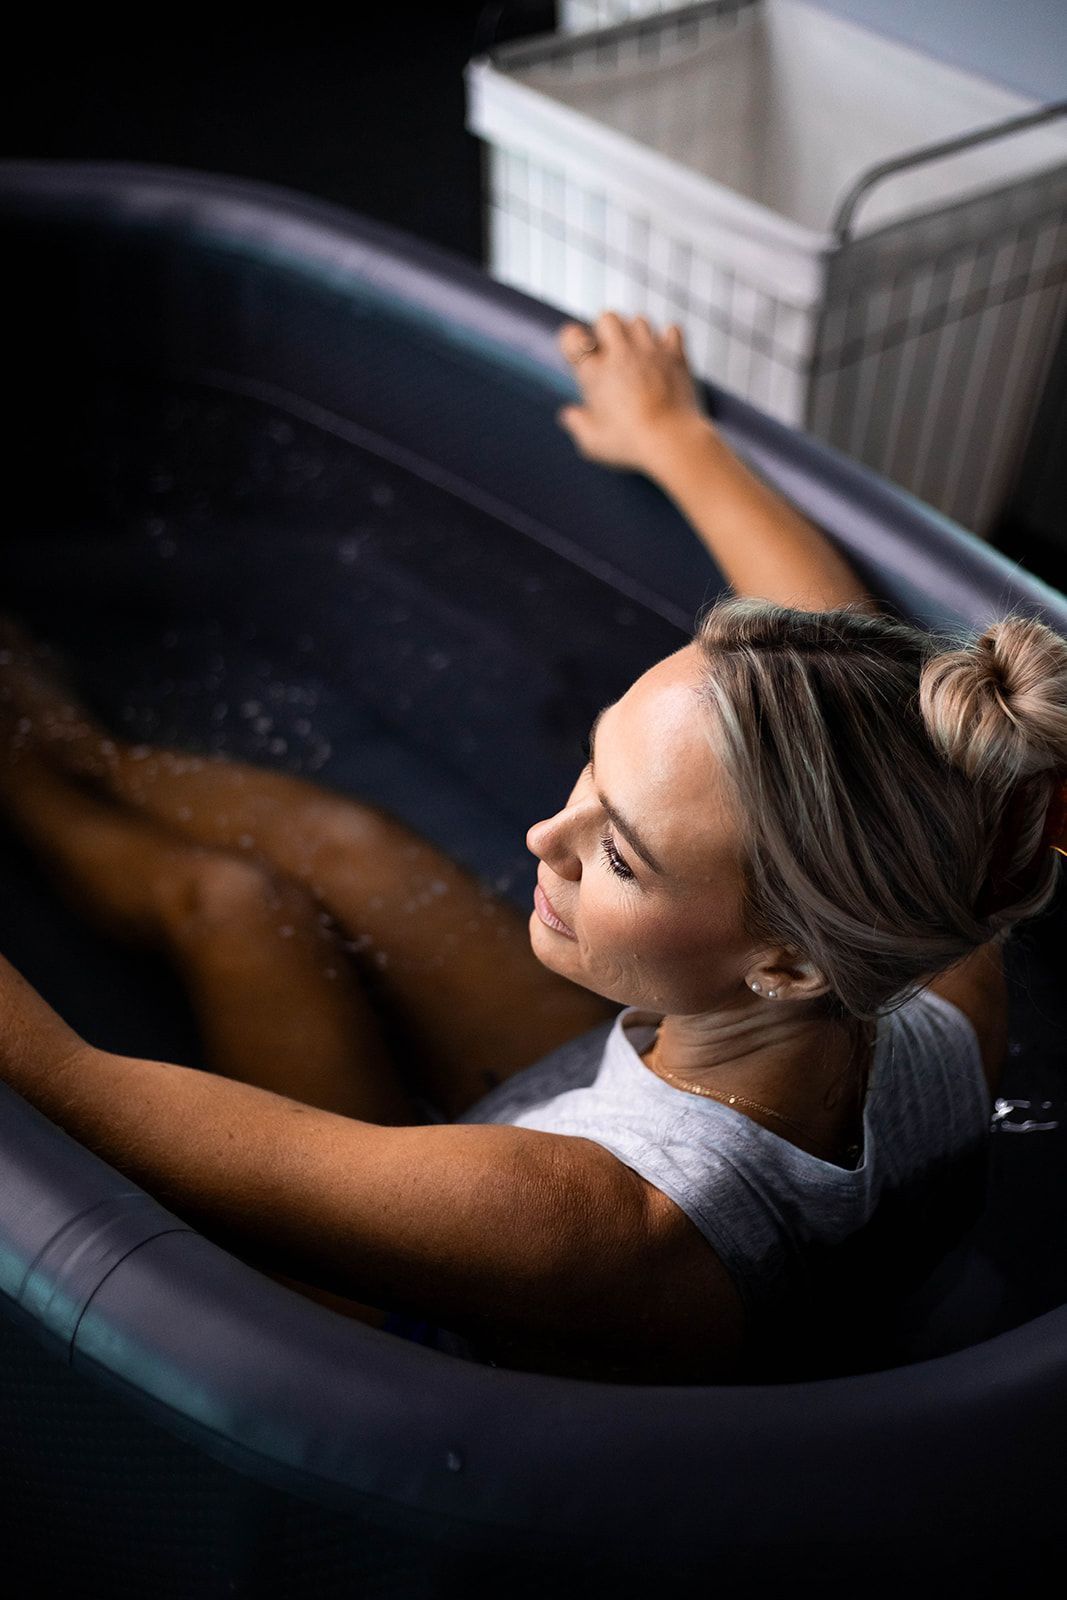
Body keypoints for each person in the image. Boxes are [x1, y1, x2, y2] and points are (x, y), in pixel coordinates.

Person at [0, 310, 1062, 1385]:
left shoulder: (581, 1222)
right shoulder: (936, 960)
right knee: (344, 843)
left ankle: (26, 771)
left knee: (230, 904)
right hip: (663, 1093)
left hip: (398, 1320)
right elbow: (858, 691)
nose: (542, 837)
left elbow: (71, 1085)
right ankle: (78, 750)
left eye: (621, 857)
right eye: (593, 769)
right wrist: (675, 440)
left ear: (786, 962)